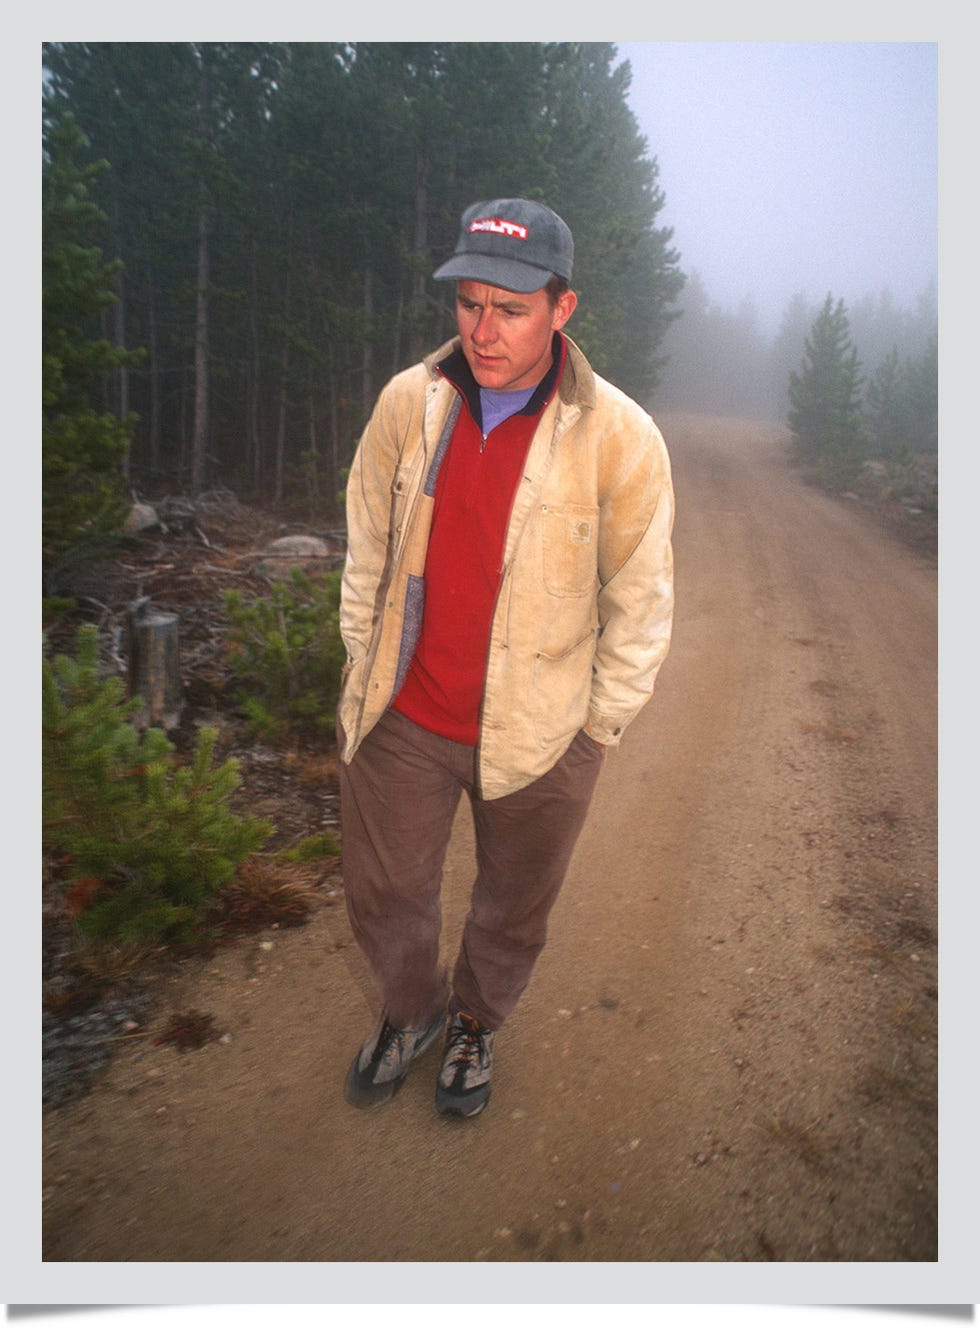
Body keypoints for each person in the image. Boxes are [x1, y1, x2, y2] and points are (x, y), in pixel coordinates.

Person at [336, 197, 674, 1118]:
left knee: (513, 906)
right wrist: (362, 659)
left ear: (562, 309)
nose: (483, 331)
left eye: (511, 308)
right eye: (469, 303)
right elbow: (368, 539)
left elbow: (639, 600)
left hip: (544, 729)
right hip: (404, 715)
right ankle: (411, 1014)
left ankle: (479, 1021)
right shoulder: (413, 402)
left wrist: (595, 730)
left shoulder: (621, 437)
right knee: (385, 891)